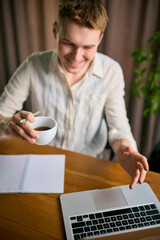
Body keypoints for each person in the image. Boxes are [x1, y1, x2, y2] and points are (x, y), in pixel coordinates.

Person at [0, 0, 148, 189]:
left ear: (100, 39)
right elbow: (1, 114)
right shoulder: (33, 65)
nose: (77, 57)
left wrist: (126, 150)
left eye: (88, 47)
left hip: (88, 163)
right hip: (43, 161)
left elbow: (119, 128)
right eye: (68, 43)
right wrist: (7, 124)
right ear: (55, 31)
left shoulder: (111, 71)